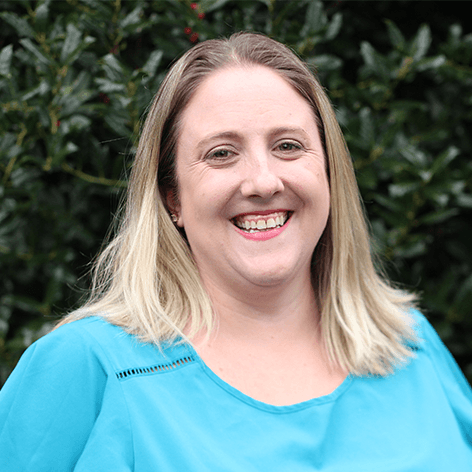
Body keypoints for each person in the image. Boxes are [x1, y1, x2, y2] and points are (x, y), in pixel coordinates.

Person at [1, 32, 471, 471]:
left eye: (288, 146)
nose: (264, 181)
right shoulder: (88, 367)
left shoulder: (407, 342)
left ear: (329, 172)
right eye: (222, 153)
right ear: (173, 198)